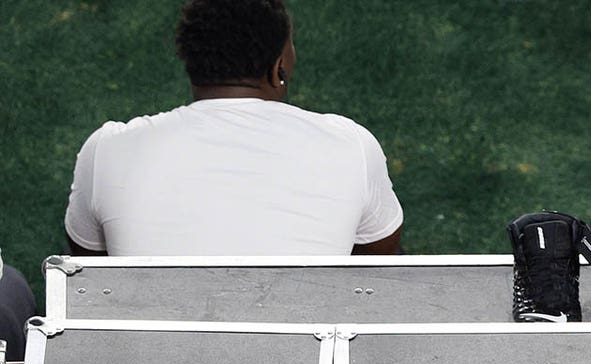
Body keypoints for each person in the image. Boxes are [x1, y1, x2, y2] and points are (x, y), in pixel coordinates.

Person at [64, 0, 403, 256]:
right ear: (278, 68)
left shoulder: (107, 149)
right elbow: (376, 273)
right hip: (305, 351)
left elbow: (90, 273)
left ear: (193, 63)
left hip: (146, 352)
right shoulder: (351, 146)